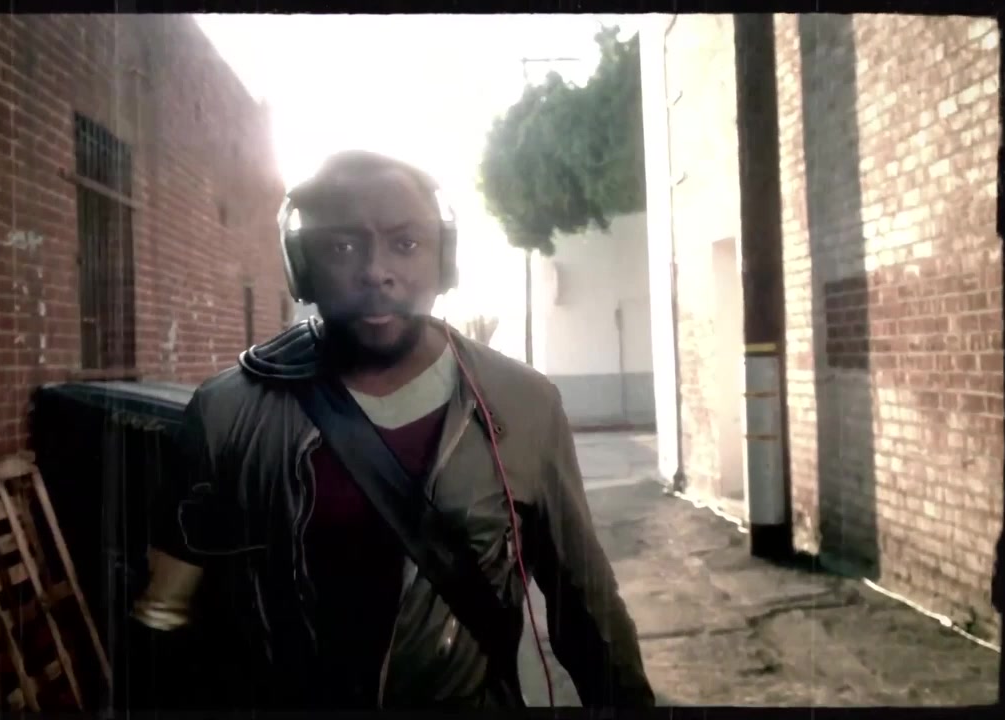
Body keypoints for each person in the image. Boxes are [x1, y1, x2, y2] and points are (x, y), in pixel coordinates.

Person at [134, 150, 655, 710]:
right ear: (302, 265)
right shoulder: (228, 412)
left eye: (406, 244)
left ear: (443, 260)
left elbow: (587, 609)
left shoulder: (523, 404)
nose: (375, 271)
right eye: (341, 247)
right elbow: (164, 616)